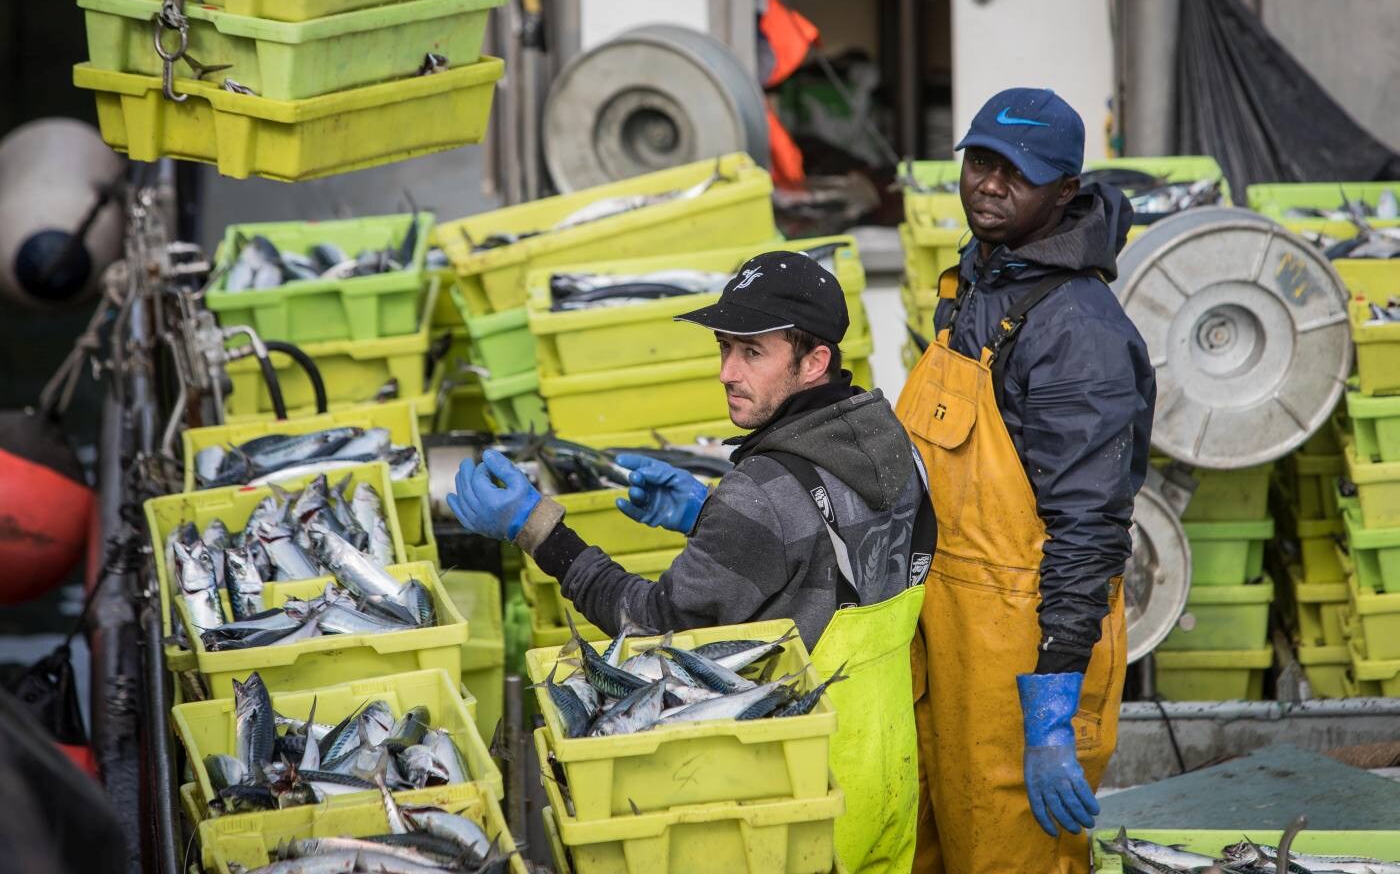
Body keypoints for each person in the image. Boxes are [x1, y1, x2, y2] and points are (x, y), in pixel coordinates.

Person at [449, 250, 930, 874]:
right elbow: (825, 555)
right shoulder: (893, 446)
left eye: (753, 353)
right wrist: (706, 513)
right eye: (725, 348)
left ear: (814, 362)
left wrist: (536, 528)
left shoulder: (760, 495)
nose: (728, 372)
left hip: (799, 800)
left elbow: (654, 627)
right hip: (888, 781)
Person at [897, 88, 1155, 874]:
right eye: (980, 161)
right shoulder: (978, 282)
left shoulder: (1079, 332)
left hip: (1025, 652)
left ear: (1065, 191)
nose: (990, 183)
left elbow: (1088, 531)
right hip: (942, 630)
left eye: (1018, 171)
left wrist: (1051, 704)